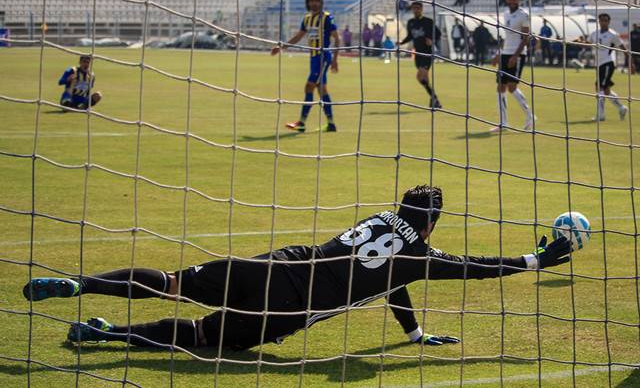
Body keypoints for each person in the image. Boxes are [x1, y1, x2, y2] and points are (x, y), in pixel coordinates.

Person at [23, 185, 572, 351]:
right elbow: (477, 268)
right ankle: (106, 335)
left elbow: (393, 284)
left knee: (171, 283)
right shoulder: (422, 256)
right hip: (294, 309)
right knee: (201, 338)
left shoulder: (381, 220)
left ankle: (80, 286)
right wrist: (536, 258)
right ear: (431, 224)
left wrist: (415, 330)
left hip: (277, 267)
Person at [271, 0, 340, 133]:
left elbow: (337, 39)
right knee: (322, 90)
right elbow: (298, 36)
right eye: (311, 0)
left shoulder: (327, 18)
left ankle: (301, 122)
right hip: (313, 58)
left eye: (316, 0)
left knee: (309, 87)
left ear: (321, 2)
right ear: (308, 3)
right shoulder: (307, 19)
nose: (314, 3)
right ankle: (331, 123)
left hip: (322, 57)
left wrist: (335, 60)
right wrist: (281, 47)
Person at [491, 0, 534, 132]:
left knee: (512, 87)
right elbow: (507, 37)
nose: (512, 1)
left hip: (518, 54)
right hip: (505, 53)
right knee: (500, 87)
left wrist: (516, 55)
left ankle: (530, 115)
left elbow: (525, 38)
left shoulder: (524, 15)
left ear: (519, 0)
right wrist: (499, 54)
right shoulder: (505, 14)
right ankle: (503, 123)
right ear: (507, 0)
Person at [577, 13, 631, 121]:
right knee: (605, 90)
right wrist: (577, 42)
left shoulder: (613, 34)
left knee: (599, 88)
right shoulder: (594, 33)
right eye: (601, 20)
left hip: (608, 63)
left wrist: (630, 63)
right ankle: (621, 108)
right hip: (599, 64)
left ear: (609, 22)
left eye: (605, 20)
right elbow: (587, 44)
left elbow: (623, 48)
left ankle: (601, 115)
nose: (603, 22)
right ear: (599, 21)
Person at [398, 2, 442, 108]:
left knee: (419, 76)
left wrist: (432, 40)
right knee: (425, 79)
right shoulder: (411, 22)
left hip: (427, 53)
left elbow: (438, 33)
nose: (416, 10)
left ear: (421, 9)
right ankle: (435, 101)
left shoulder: (428, 21)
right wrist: (401, 42)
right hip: (417, 53)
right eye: (414, 8)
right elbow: (410, 36)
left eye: (418, 8)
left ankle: (434, 98)